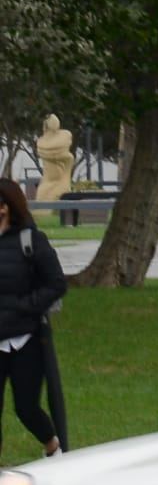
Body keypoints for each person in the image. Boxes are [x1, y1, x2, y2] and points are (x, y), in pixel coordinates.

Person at [0, 179, 67, 458]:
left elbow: (56, 284)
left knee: (26, 407)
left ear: (4, 207)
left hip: (24, 339)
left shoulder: (30, 240)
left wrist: (25, 306)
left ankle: (52, 444)